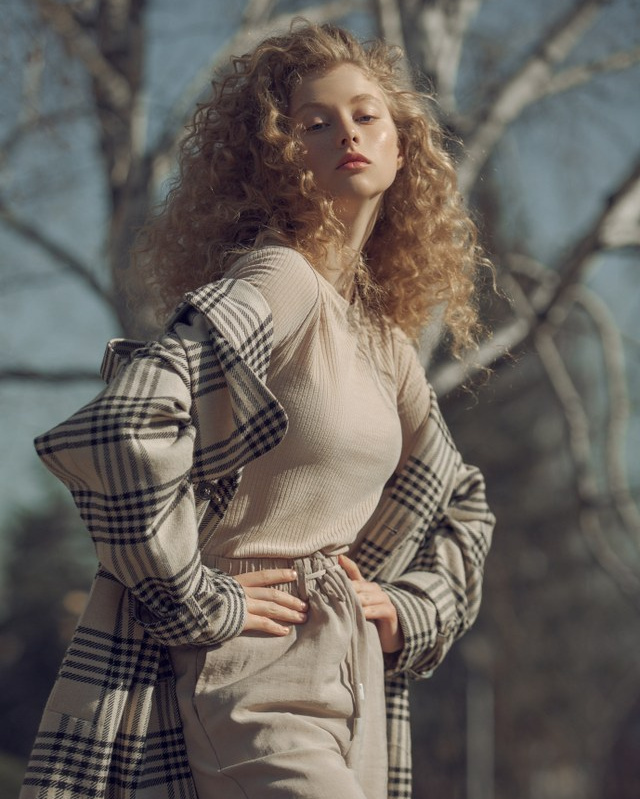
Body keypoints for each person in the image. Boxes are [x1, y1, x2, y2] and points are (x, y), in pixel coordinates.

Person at [20, 20, 495, 799]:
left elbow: (461, 500)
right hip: (252, 673)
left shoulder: (385, 344)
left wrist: (413, 609)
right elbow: (125, 425)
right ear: (278, 160)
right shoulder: (280, 280)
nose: (348, 131)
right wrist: (200, 599)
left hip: (358, 683)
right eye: (316, 123)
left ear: (401, 146)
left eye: (366, 114)